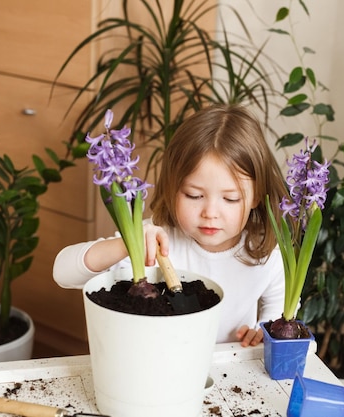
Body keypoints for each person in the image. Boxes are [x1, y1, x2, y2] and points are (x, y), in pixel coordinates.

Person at [53, 104, 287, 347]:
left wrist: (263, 331)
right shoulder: (154, 240)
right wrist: (126, 245)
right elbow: (62, 272)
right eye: (194, 195)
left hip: (229, 372)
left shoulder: (265, 255)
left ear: (257, 196)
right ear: (173, 188)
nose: (210, 213)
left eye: (230, 199)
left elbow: (278, 311)